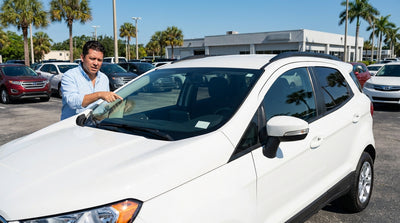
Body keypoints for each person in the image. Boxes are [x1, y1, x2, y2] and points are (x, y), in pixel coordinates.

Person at [60, 41, 122, 120]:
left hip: (95, 127)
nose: (96, 63)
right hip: (73, 127)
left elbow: (104, 106)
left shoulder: (104, 78)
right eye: (92, 59)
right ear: (82, 58)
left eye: (99, 60)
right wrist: (99, 95)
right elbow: (72, 102)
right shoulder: (70, 76)